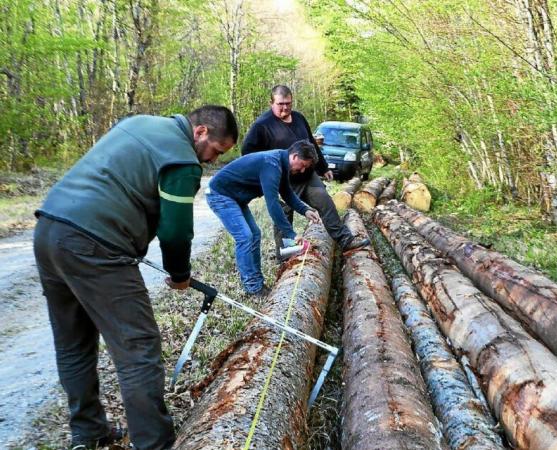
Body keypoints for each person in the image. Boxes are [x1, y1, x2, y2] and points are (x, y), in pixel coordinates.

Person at [33, 106, 237, 450]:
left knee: (73, 342)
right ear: (200, 132)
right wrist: (180, 274)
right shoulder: (182, 159)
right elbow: (175, 232)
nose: (212, 160)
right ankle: (154, 443)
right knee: (138, 348)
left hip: (49, 229)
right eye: (216, 151)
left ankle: (88, 431)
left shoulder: (138, 123)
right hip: (96, 244)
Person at [241, 85, 369, 254]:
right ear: (271, 102)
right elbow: (247, 152)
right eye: (280, 104)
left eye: (288, 103)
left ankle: (344, 239)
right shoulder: (262, 125)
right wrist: (264, 174)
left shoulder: (299, 118)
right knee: (283, 217)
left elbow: (311, 144)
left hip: (308, 176)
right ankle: (285, 254)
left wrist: (323, 167)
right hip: (282, 181)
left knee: (325, 202)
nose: (285, 107)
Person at [206, 140, 322, 296]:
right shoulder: (272, 165)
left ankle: (257, 283)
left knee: (255, 234)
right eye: (302, 165)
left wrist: (305, 210)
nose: (302, 170)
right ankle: (253, 287)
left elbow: (287, 193)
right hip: (220, 195)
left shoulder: (280, 163)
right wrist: (291, 234)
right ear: (294, 156)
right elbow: (273, 203)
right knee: (245, 237)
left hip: (235, 198)